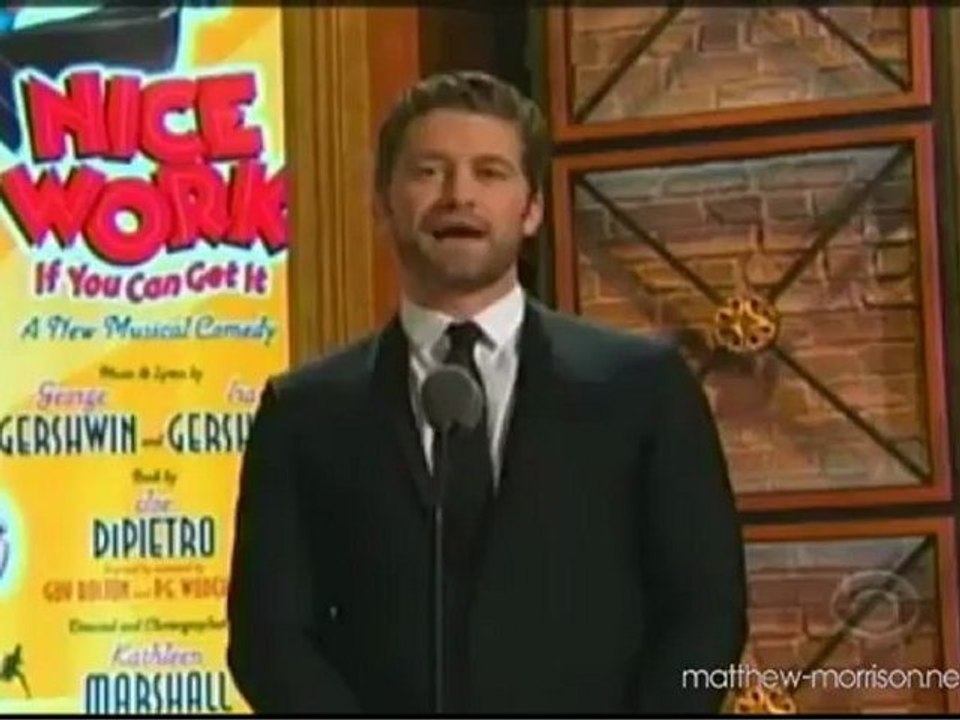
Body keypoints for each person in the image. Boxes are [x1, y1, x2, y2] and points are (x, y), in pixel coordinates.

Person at [226, 70, 748, 715]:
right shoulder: (304, 411)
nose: (458, 196)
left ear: (531, 209)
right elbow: (267, 639)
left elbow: (704, 612)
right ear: (382, 201)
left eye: (490, 173)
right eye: (429, 171)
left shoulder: (641, 389)